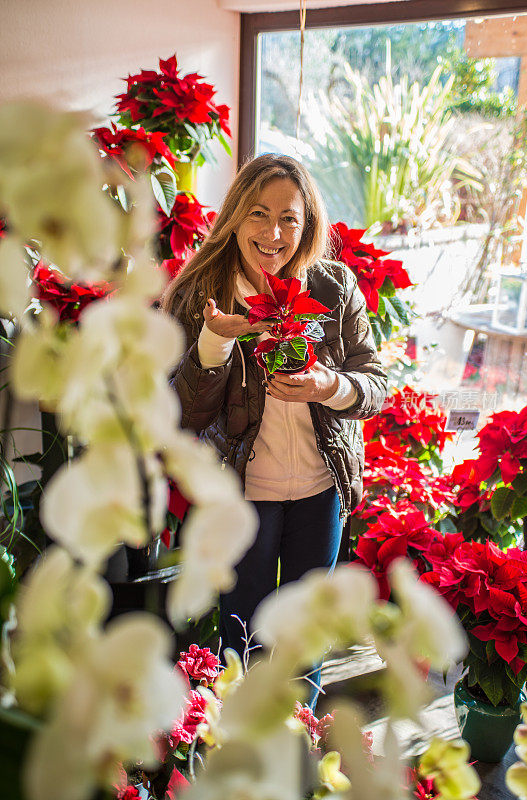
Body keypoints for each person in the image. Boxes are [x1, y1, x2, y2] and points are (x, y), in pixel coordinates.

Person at [163, 154, 387, 708]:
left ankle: (295, 755)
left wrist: (326, 386)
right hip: (245, 497)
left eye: (289, 217)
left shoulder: (333, 288)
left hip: (321, 490)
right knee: (243, 634)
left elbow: (375, 384)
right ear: (236, 217)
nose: (273, 232)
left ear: (307, 222)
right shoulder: (202, 294)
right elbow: (181, 411)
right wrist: (214, 343)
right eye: (258, 214)